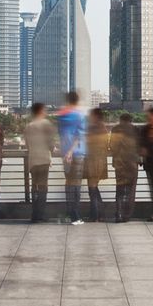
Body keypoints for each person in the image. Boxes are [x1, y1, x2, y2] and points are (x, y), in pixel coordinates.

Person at [57, 92, 87, 225]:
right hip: (77, 153)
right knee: (76, 185)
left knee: (68, 183)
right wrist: (71, 151)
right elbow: (79, 136)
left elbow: (61, 135)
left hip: (64, 153)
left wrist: (66, 152)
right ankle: (76, 216)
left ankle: (69, 213)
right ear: (77, 100)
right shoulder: (79, 115)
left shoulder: (61, 115)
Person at [24, 103, 55, 223]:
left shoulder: (28, 126)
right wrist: (53, 149)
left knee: (34, 187)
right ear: (41, 111)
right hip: (44, 159)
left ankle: (34, 214)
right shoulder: (46, 124)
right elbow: (50, 143)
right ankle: (40, 214)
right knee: (43, 187)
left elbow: (27, 144)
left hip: (32, 160)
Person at [111, 113, 140, 223]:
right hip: (132, 163)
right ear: (131, 120)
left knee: (119, 189)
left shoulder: (115, 129)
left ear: (121, 120)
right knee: (131, 190)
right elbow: (139, 146)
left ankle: (118, 214)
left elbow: (112, 146)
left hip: (119, 163)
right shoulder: (136, 130)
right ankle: (126, 215)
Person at [84, 108, 110, 222]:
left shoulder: (93, 128)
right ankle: (100, 214)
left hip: (93, 162)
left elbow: (86, 141)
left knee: (92, 189)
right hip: (101, 161)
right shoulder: (103, 128)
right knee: (93, 188)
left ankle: (95, 215)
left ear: (95, 116)